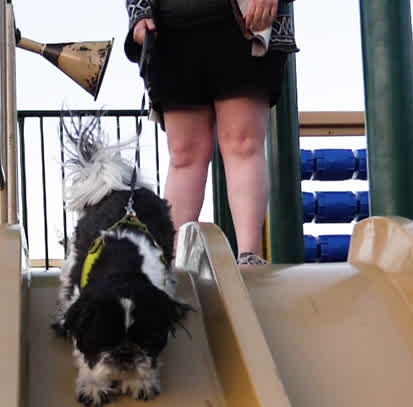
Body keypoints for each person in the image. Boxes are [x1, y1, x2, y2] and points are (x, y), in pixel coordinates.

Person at [124, 0, 297, 265]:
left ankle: (249, 255)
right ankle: (171, 262)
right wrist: (139, 14)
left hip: (242, 22)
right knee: (184, 154)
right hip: (171, 31)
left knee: (242, 142)